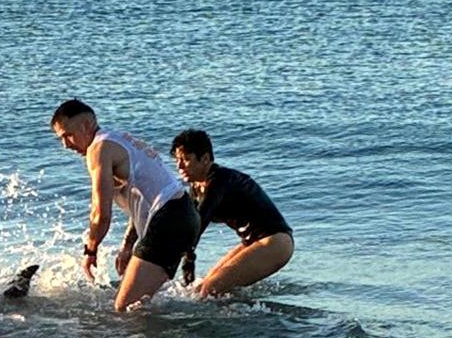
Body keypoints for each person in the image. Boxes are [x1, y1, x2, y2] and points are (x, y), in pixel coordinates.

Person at [50, 99, 199, 312]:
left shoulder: (99, 149)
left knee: (125, 308)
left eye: (67, 135)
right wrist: (128, 245)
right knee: (138, 302)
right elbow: (142, 198)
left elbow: (100, 213)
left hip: (169, 220)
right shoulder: (117, 139)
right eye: (61, 139)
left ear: (85, 125)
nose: (66, 144)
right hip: (183, 214)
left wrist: (90, 251)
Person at [171, 129, 294, 295]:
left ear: (205, 159)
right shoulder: (196, 186)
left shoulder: (220, 180)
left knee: (209, 290)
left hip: (274, 242)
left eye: (186, 159)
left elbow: (200, 221)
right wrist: (187, 257)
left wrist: (185, 260)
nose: (179, 166)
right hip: (252, 242)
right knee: (201, 287)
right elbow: (191, 226)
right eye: (177, 160)